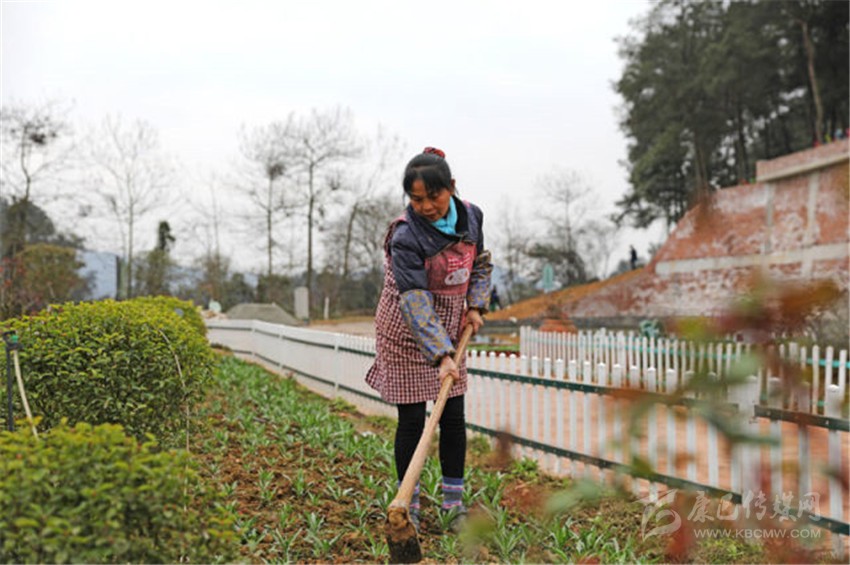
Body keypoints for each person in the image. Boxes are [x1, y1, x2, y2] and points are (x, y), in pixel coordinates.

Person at [366, 146, 492, 532]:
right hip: (407, 329)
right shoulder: (406, 235)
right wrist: (440, 356)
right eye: (416, 199)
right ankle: (411, 505)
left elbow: (480, 262)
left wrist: (476, 304)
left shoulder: (471, 216)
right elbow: (415, 301)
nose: (425, 207)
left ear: (451, 186)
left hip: (451, 326)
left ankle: (453, 505)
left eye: (433, 196)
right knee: (411, 420)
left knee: (453, 417)